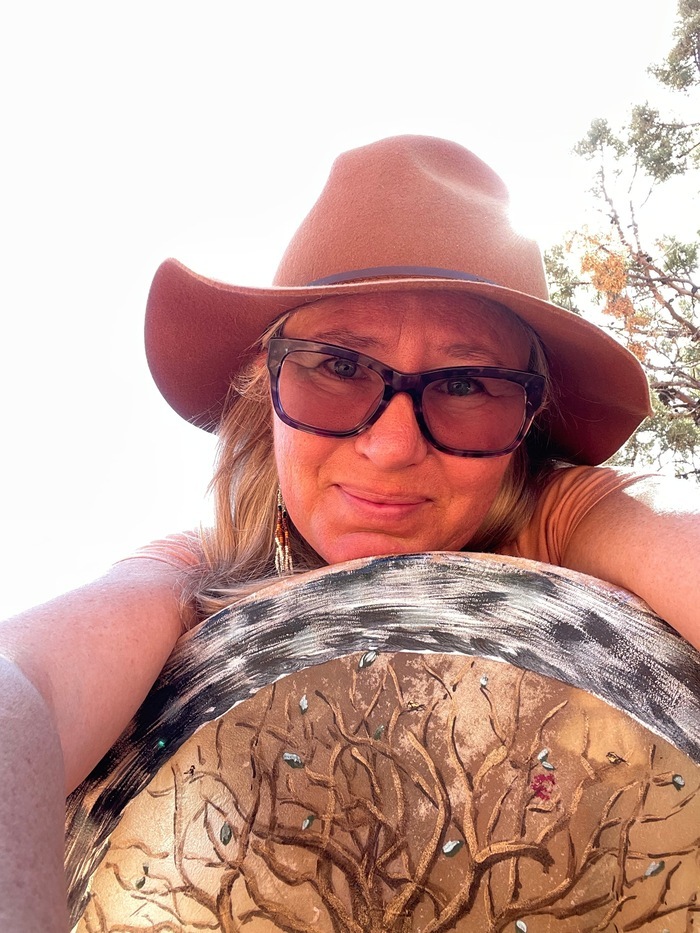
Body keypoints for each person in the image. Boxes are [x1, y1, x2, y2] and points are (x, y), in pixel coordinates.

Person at [1, 134, 698, 930]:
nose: (393, 445)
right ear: (264, 380)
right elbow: (23, 681)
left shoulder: (571, 521)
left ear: (528, 416)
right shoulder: (192, 576)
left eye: (465, 382)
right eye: (338, 366)